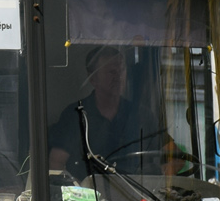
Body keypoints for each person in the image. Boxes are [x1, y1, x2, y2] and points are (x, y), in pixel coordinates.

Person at [48, 45, 175, 176]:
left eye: (122, 70)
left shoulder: (141, 114)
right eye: (111, 72)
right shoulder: (75, 115)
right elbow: (56, 162)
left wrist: (158, 184)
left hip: (136, 194)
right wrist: (76, 191)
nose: (119, 77)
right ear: (93, 78)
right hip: (90, 193)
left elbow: (176, 158)